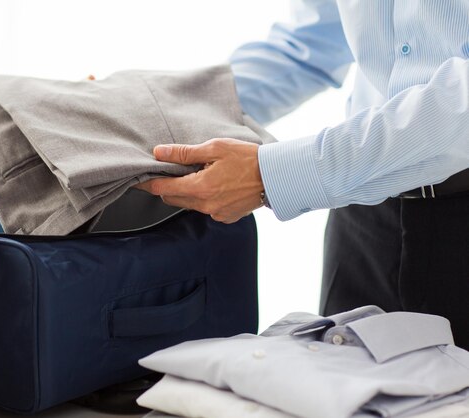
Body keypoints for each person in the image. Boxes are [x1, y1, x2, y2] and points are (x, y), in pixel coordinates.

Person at [137, 1, 469, 349]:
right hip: (363, 222)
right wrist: (152, 109)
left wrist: (274, 174)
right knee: (338, 393)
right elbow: (306, 44)